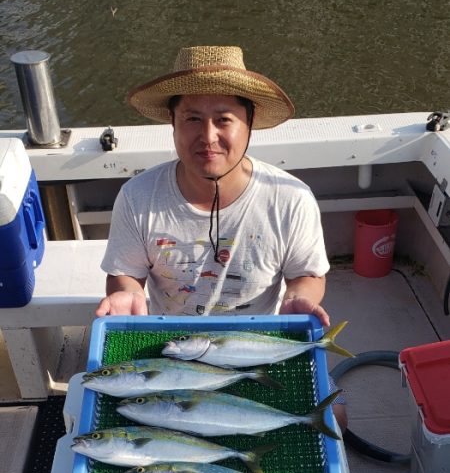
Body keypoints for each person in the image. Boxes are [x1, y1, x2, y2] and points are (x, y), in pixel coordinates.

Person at [96, 44, 347, 429]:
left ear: (249, 124)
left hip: (256, 346)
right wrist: (126, 292)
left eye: (224, 119)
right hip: (170, 351)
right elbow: (126, 273)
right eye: (192, 119)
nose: (207, 136)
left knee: (336, 418)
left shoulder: (290, 198)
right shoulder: (138, 196)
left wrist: (300, 297)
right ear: (173, 124)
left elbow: (306, 274)